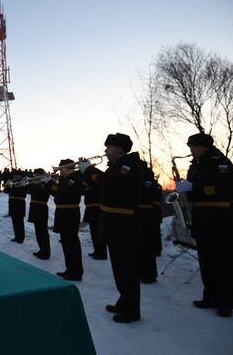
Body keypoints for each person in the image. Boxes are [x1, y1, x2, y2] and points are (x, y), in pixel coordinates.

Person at [179, 133, 233, 318]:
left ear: (205, 146)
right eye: (190, 146)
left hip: (220, 219)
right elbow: (195, 192)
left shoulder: (219, 162)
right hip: (202, 219)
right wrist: (185, 192)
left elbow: (224, 189)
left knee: (223, 261)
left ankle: (226, 303)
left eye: (195, 146)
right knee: (206, 261)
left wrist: (193, 188)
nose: (191, 150)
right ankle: (210, 296)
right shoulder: (195, 166)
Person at [99, 133, 143, 323]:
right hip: (115, 223)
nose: (106, 151)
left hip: (123, 224)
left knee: (127, 269)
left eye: (108, 147)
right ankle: (124, 300)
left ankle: (132, 310)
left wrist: (90, 172)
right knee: (119, 267)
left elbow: (114, 184)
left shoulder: (129, 166)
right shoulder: (116, 167)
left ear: (119, 148)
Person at [46, 159, 86, 281]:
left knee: (72, 244)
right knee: (67, 244)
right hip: (64, 213)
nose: (59, 170)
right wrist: (51, 184)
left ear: (68, 168)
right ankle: (70, 269)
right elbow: (58, 195)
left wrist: (50, 183)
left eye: (61, 168)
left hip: (70, 214)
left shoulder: (74, 178)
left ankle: (76, 272)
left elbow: (61, 193)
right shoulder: (66, 179)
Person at [78, 158, 107, 260]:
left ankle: (101, 252)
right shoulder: (88, 172)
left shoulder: (92, 172)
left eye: (80, 165)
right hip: (91, 205)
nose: (78, 167)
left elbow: (99, 184)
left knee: (97, 230)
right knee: (94, 230)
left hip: (96, 205)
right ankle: (97, 250)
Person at [137, 159, 158, 284]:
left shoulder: (146, 175)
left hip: (145, 213)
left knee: (145, 245)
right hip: (140, 212)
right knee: (140, 245)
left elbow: (146, 193)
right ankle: (143, 272)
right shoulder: (143, 173)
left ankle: (148, 275)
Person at [26, 168, 51, 260]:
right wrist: (25, 184)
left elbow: (42, 193)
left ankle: (46, 252)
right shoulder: (34, 184)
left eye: (36, 175)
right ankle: (42, 249)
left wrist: (35, 184)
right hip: (35, 208)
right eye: (34, 175)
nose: (34, 176)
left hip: (41, 208)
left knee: (43, 231)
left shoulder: (45, 184)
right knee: (38, 231)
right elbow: (27, 190)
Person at [3, 169, 27, 243]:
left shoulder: (23, 183)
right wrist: (7, 185)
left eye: (17, 175)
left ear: (20, 176)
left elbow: (22, 194)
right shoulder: (12, 182)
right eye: (14, 175)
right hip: (12, 204)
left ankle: (21, 238)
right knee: (14, 222)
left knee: (20, 222)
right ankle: (16, 236)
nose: (15, 176)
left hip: (19, 205)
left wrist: (13, 188)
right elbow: (5, 191)